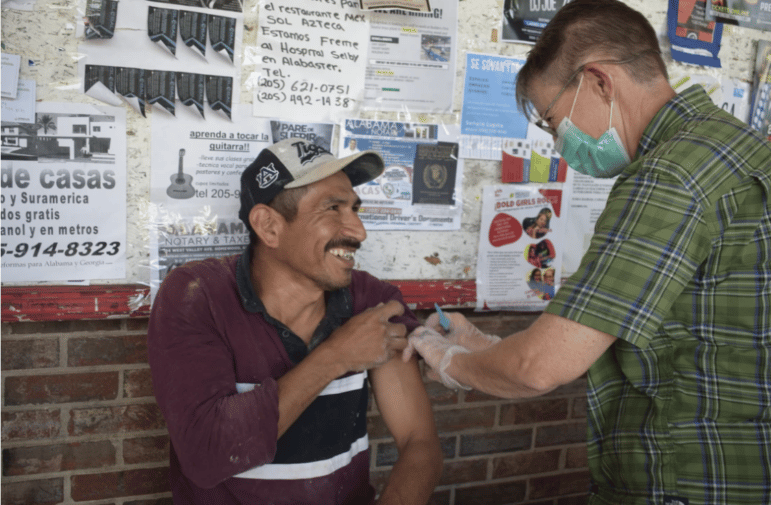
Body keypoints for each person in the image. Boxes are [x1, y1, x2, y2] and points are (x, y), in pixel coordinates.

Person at [405, 1, 771, 504]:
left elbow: (541, 366)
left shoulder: (669, 176)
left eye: (555, 123)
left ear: (599, 81)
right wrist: (486, 348)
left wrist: (453, 364)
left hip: (688, 478)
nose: (560, 146)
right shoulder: (742, 147)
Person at [148, 138, 442, 504]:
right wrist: (336, 356)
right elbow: (208, 456)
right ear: (268, 226)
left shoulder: (371, 301)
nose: (358, 230)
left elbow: (420, 443)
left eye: (354, 208)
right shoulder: (197, 297)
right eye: (332, 208)